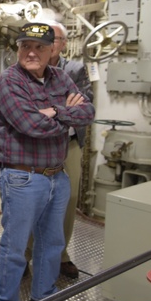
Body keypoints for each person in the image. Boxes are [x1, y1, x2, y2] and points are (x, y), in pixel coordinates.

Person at [0, 22, 95, 301]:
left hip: (56, 176)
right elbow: (28, 125)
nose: (31, 53)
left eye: (39, 47)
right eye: (25, 46)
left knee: (52, 243)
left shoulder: (61, 77)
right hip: (22, 177)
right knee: (15, 245)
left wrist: (53, 112)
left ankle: (45, 295)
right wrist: (63, 111)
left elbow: (87, 112)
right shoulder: (10, 80)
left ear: (53, 51)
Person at [49, 22, 93, 279]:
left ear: (64, 43)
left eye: (54, 38)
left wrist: (55, 111)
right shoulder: (28, 69)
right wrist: (64, 106)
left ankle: (61, 255)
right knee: (34, 201)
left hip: (69, 145)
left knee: (69, 200)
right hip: (38, 145)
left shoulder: (75, 70)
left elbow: (85, 107)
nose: (49, 43)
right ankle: (25, 256)